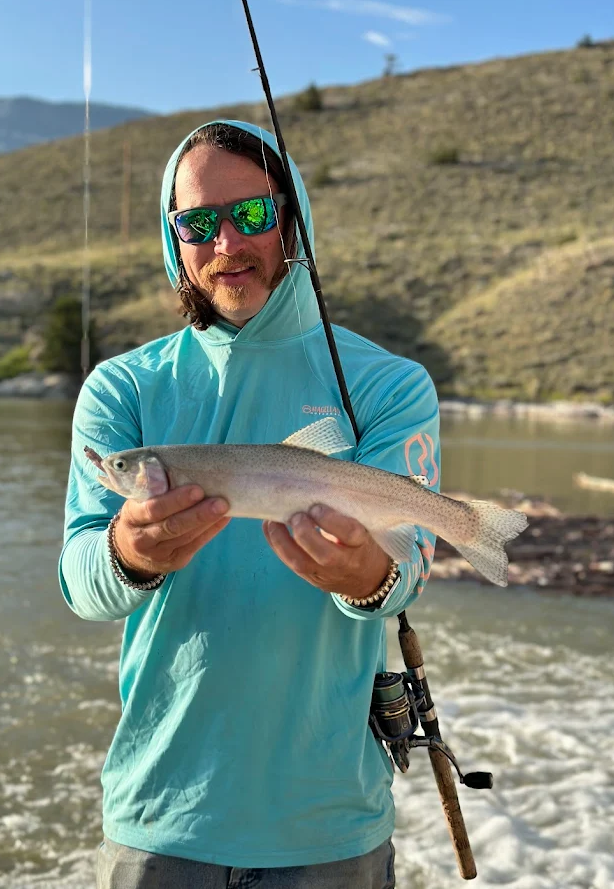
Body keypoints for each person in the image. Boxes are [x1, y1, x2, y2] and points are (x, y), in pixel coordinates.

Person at [60, 119, 441, 889]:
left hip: (328, 823)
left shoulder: (387, 385)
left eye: (254, 215)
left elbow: (405, 576)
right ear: (174, 239)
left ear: (293, 218)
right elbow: (80, 583)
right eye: (198, 223)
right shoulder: (121, 389)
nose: (226, 242)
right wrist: (128, 556)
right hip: (160, 817)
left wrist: (362, 574)